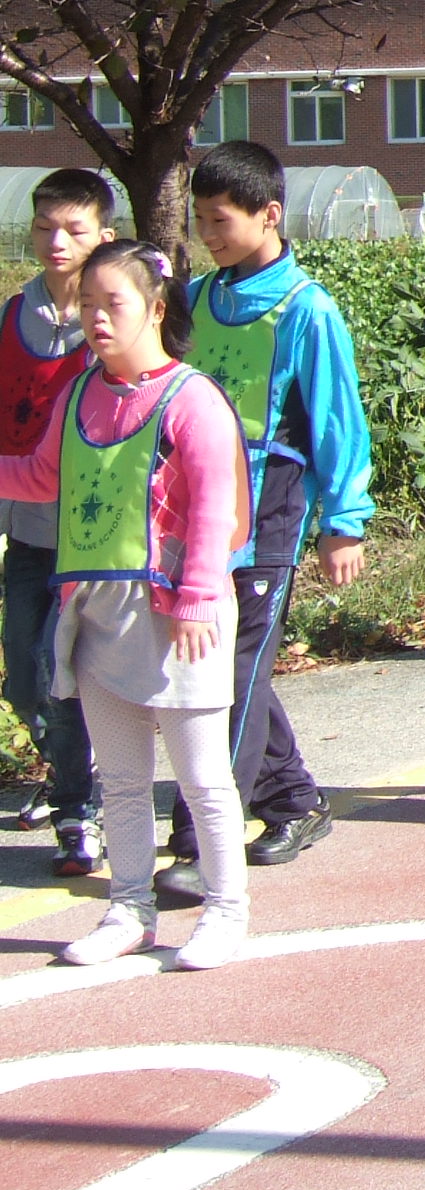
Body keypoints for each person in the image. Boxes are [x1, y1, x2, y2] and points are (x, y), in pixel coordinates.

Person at [0, 241, 252, 969]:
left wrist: (200, 598)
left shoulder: (192, 397)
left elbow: (214, 505)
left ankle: (225, 911)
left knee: (204, 778)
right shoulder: (79, 392)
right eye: (87, 305)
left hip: (179, 614)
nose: (97, 319)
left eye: (113, 304)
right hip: (95, 615)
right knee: (121, 780)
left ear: (156, 308)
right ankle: (130, 909)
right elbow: (45, 473)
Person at [156, 141, 372, 900]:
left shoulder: (306, 309)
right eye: (200, 219)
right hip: (195, 518)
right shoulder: (195, 299)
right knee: (219, 670)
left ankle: (200, 837)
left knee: (233, 673)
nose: (207, 232)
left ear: (268, 215)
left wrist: (344, 521)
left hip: (269, 509)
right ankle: (293, 799)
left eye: (219, 219)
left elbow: (340, 422)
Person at [1, 168, 109, 878]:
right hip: (26, 533)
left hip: (88, 539)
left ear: (103, 233)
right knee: (20, 682)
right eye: (44, 227)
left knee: (53, 674)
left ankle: (80, 811)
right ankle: (75, 763)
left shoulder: (117, 313)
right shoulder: (14, 314)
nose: (56, 241)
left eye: (72, 228)